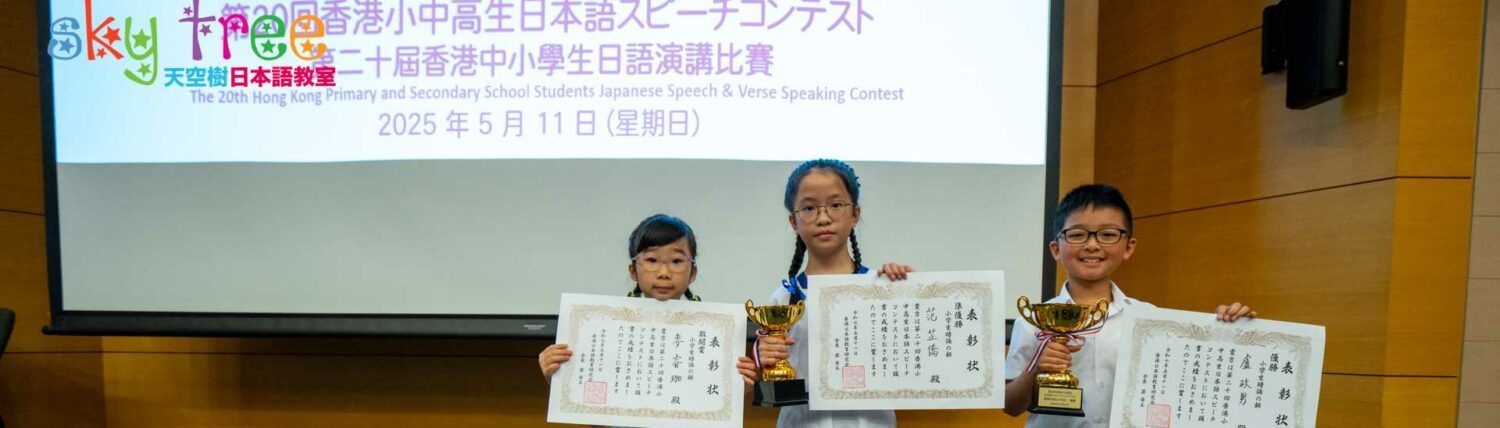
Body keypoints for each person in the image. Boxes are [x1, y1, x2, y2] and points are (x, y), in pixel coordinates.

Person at [1002, 184, 1257, 427]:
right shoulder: (1035, 321)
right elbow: (1010, 406)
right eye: (1077, 234)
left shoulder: (1151, 320)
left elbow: (1189, 385)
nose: (1092, 245)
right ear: (1056, 249)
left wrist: (1228, 330)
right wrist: (1036, 370)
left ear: (1128, 247)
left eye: (1108, 235)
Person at [749, 159, 914, 428]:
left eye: (836, 205)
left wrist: (912, 293)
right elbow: (769, 380)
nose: (823, 218)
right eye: (809, 208)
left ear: (855, 214)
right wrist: (764, 358)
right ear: (793, 221)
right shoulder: (783, 299)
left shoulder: (883, 288)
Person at [539, 214, 757, 388]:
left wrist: (738, 387)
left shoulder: (713, 332)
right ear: (633, 270)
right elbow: (597, 418)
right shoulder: (606, 328)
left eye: (676, 261)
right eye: (652, 260)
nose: (664, 273)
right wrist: (559, 376)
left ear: (692, 272)